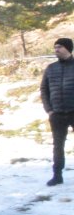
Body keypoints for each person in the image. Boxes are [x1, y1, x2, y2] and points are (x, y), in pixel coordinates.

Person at [41, 38, 74, 186]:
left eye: (59, 47)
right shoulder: (50, 68)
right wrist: (49, 110)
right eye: (55, 47)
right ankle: (57, 175)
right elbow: (44, 89)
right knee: (58, 146)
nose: (56, 50)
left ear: (68, 48)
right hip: (57, 113)